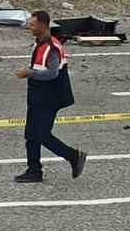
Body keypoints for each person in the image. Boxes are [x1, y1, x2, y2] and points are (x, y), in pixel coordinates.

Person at [15, 10, 86, 183]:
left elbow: (52, 74)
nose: (29, 27)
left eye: (32, 24)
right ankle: (34, 170)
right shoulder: (39, 43)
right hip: (37, 96)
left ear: (43, 25)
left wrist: (29, 73)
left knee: (42, 135)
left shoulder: (52, 48)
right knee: (31, 134)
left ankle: (73, 156)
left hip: (49, 98)